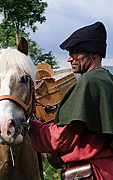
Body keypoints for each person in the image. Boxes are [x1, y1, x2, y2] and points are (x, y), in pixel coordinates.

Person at [29, 21, 113, 179]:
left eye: (75, 52)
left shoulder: (89, 82)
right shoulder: (107, 79)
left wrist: (32, 124)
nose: (69, 58)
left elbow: (60, 139)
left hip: (93, 173)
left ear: (94, 53)